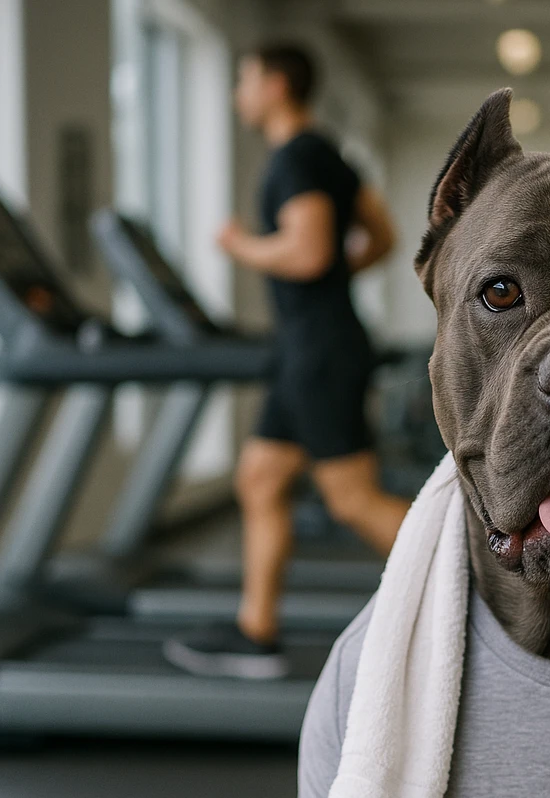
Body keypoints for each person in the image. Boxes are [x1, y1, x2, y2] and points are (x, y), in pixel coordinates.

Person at [164, 43, 409, 681]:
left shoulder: (297, 157)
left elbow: (305, 253)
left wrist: (239, 245)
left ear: (275, 85)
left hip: (319, 349)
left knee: (353, 500)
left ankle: (487, 587)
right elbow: (380, 238)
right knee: (261, 477)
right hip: (312, 342)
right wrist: (330, 275)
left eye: (243, 79)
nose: (236, 93)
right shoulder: (329, 153)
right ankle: (256, 631)